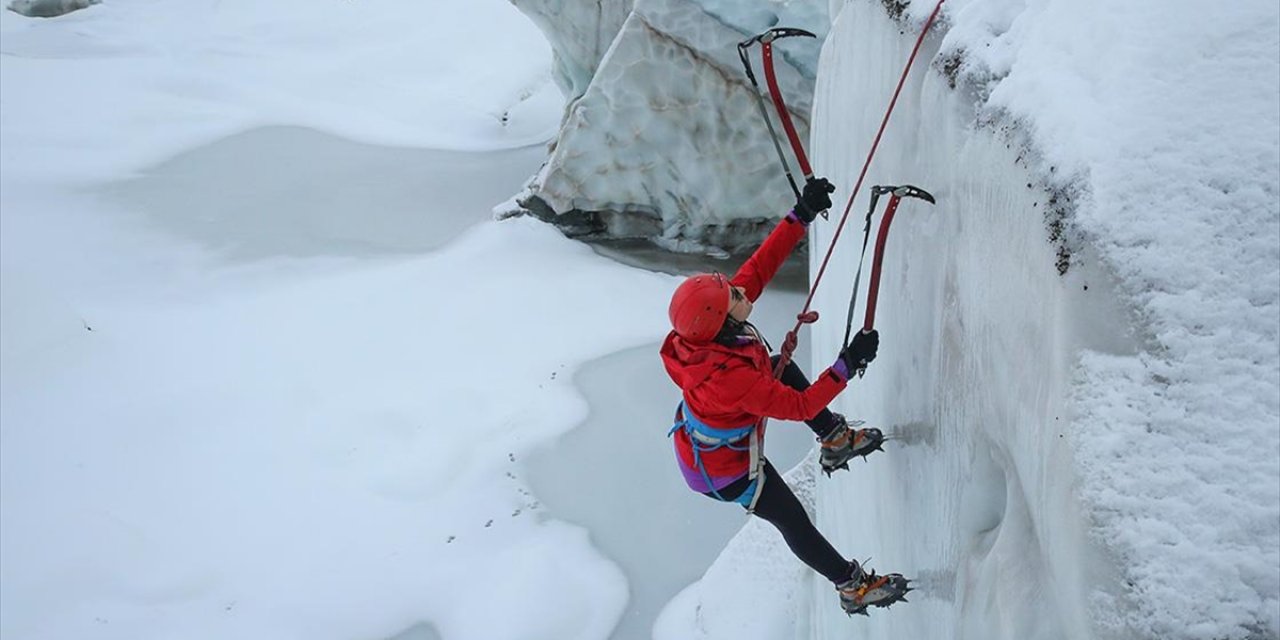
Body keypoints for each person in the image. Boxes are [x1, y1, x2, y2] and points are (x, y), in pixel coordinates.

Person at [659, 177, 909, 616]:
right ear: (719, 318)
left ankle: (834, 440)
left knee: (779, 364)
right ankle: (852, 586)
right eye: (733, 294)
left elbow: (757, 269)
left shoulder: (715, 327)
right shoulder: (727, 378)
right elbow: (799, 407)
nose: (741, 290)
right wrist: (844, 367)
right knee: (791, 519)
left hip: (712, 442)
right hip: (726, 472)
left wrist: (801, 215)